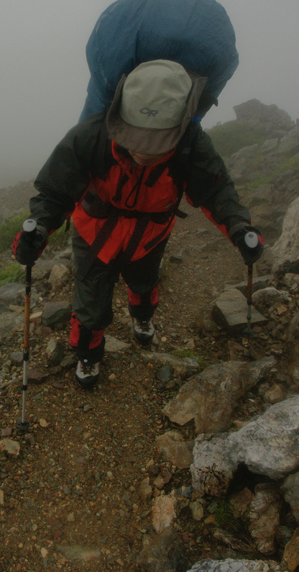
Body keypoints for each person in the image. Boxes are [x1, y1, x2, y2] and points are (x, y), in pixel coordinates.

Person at [13, 59, 264, 388]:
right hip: (94, 237)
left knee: (144, 285)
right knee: (90, 306)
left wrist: (238, 227)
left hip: (149, 237)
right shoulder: (92, 135)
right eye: (136, 138)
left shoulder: (191, 144)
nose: (143, 151)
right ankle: (88, 356)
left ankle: (142, 320)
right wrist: (39, 229)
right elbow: (55, 191)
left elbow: (216, 191)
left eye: (156, 141)